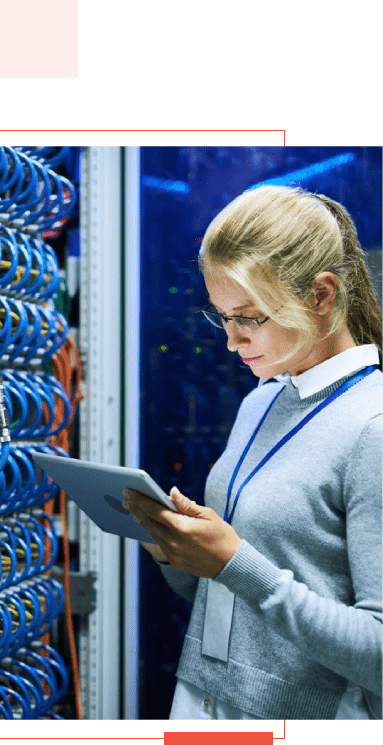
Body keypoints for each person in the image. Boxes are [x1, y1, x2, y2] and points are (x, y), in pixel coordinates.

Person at [124, 185, 382, 720]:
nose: (232, 341)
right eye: (222, 316)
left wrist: (236, 564)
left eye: (250, 317)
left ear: (321, 294)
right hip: (204, 698)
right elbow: (227, 596)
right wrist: (175, 549)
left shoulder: (372, 427)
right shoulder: (261, 401)